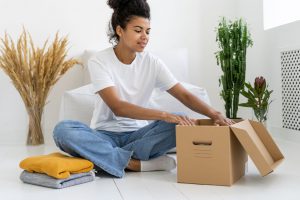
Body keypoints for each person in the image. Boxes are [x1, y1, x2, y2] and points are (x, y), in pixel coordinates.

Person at [53, 0, 233, 178]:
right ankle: (133, 164)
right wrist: (163, 114)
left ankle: (104, 158)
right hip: (104, 136)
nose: (144, 36)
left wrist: (215, 114)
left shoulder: (152, 62)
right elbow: (118, 107)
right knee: (63, 130)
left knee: (180, 123)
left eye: (147, 31)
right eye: (138, 30)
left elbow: (184, 94)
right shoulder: (100, 61)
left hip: (139, 138)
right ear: (119, 30)